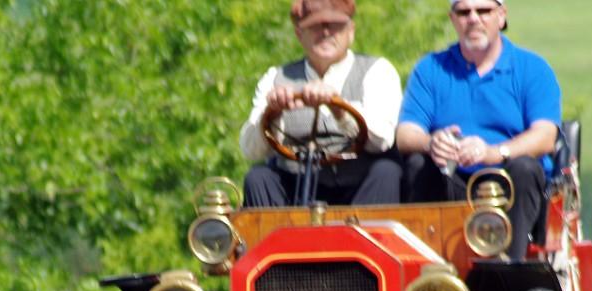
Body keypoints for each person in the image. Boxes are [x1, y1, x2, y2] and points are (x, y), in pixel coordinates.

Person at [396, 0, 561, 260]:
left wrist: (494, 152)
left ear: (502, 16)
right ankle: (428, 271)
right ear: (453, 19)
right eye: (464, 12)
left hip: (508, 178)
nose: (473, 19)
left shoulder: (532, 69)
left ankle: (509, 273)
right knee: (417, 164)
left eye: (483, 11)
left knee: (526, 169)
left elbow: (545, 136)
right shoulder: (430, 69)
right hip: (451, 176)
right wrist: (432, 143)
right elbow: (405, 133)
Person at [240, 0, 403, 207]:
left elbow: (382, 140)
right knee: (258, 178)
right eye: (316, 26)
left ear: (350, 31)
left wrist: (339, 108)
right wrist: (272, 113)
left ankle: (366, 239)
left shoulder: (377, 71)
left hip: (360, 190)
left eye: (335, 26)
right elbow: (250, 150)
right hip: (296, 189)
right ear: (300, 34)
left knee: (387, 172)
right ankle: (277, 238)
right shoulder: (275, 78)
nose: (326, 33)